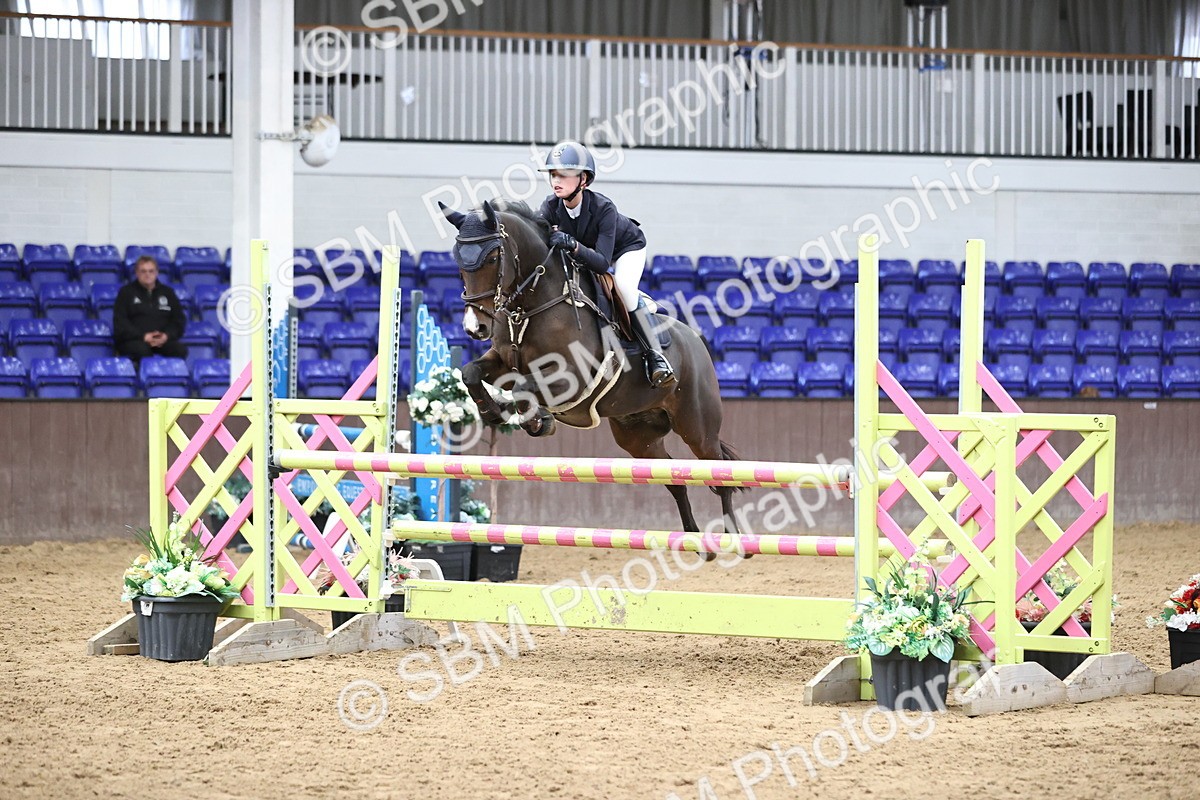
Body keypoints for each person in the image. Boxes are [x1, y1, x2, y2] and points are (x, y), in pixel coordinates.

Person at [536, 140, 676, 388]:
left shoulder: (604, 209)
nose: (556, 180)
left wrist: (573, 245)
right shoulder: (549, 207)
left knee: (622, 286)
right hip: (587, 253)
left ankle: (656, 356)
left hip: (625, 249)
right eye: (553, 174)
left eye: (565, 174)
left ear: (584, 180)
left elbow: (601, 263)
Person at [113, 255, 188, 362]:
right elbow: (120, 323)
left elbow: (178, 320)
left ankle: (169, 379)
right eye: (143, 271)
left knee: (180, 350)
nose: (147, 274)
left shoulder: (168, 293)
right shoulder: (126, 293)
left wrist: (166, 336)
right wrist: (143, 336)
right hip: (135, 340)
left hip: (162, 340)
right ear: (137, 273)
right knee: (142, 351)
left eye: (151, 271)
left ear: (157, 272)